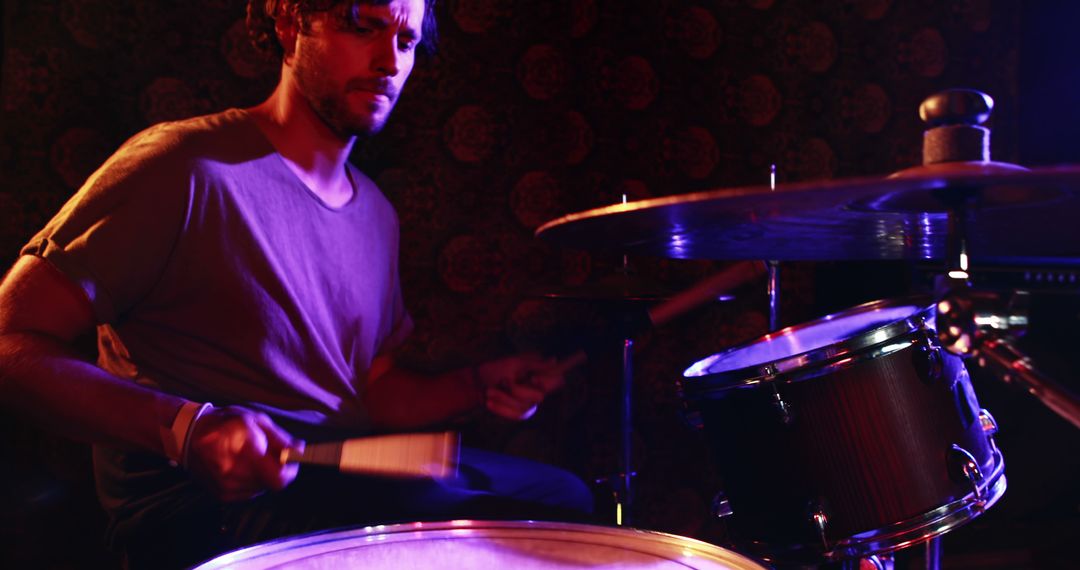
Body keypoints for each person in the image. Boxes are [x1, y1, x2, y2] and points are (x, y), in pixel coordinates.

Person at [0, 0, 593, 567]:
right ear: (289, 23)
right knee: (440, 518)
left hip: (334, 480)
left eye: (406, 40)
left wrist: (478, 384)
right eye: (364, 27)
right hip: (202, 507)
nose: (390, 60)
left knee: (563, 501)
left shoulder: (376, 215)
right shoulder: (183, 167)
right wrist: (186, 428)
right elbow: (10, 341)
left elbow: (371, 391)